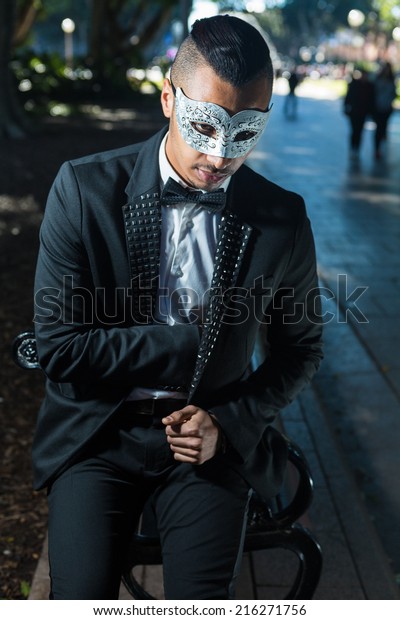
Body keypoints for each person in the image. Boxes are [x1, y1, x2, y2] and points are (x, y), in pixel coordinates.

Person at [32, 15, 323, 600]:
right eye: (205, 126)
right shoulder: (84, 191)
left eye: (244, 134)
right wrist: (186, 343)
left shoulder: (281, 217)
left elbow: (302, 349)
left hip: (206, 442)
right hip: (98, 435)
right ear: (169, 98)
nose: (219, 157)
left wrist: (230, 422)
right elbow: (59, 346)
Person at [343, 68, 375, 158]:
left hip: (363, 113)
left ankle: (357, 149)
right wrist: (346, 108)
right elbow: (348, 97)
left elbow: (371, 101)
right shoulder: (354, 84)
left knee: (360, 131)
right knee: (354, 130)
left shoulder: (370, 86)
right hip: (354, 112)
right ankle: (353, 147)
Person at [372, 62, 397, 160]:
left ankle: (381, 143)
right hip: (378, 109)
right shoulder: (378, 79)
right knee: (378, 128)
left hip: (387, 109)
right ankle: (377, 148)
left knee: (383, 127)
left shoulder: (391, 81)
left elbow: (393, 94)